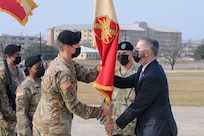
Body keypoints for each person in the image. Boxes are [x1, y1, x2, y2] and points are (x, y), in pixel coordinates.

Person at [32, 30, 110, 135]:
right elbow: (74, 106)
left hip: (47, 121)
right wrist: (101, 112)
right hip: (53, 127)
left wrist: (102, 68)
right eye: (76, 44)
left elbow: (86, 75)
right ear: (67, 47)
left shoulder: (66, 63)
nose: (79, 46)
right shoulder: (63, 72)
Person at [105, 37, 178, 136]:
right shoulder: (144, 69)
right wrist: (105, 75)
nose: (135, 52)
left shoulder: (153, 75)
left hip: (156, 129)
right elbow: (125, 82)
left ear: (147, 52)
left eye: (137, 50)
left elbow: (137, 106)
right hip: (147, 127)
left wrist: (116, 124)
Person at [106, 41, 138, 136]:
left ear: (132, 55)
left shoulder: (138, 74)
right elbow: (106, 100)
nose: (121, 56)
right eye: (119, 54)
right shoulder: (112, 74)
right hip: (114, 125)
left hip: (132, 127)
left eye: (124, 54)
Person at [15, 55, 45, 136]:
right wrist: (25, 133)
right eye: (38, 66)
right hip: (32, 129)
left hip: (44, 129)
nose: (41, 68)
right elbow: (21, 113)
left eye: (42, 65)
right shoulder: (25, 87)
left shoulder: (45, 84)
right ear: (29, 68)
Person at [0, 44, 25, 136]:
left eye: (20, 55)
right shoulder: (3, 74)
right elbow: (3, 100)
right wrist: (13, 115)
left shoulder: (19, 71)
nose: (19, 57)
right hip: (8, 120)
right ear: (9, 56)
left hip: (19, 115)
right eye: (17, 56)